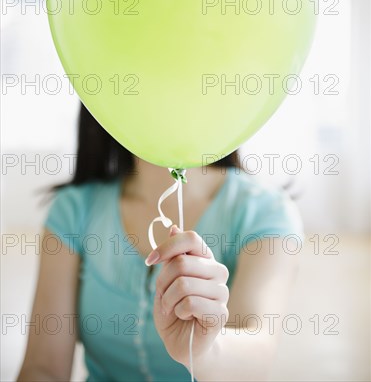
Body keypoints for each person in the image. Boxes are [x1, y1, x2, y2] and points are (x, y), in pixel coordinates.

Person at [17, 102, 304, 382]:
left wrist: (203, 350)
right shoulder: (74, 210)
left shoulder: (266, 213)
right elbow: (43, 369)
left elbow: (257, 356)